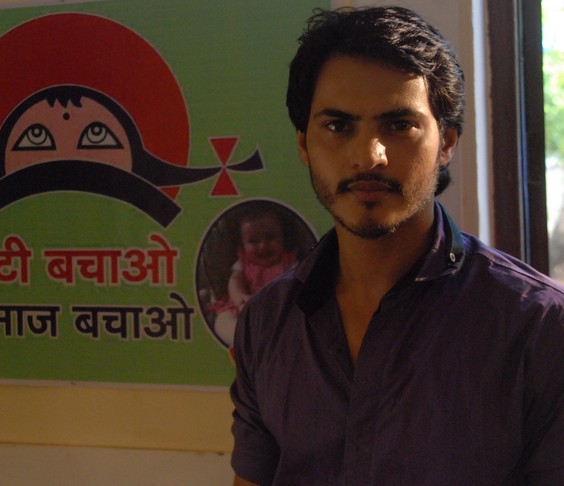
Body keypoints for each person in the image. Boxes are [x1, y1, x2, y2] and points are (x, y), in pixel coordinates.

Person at [230, 6, 564, 485]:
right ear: (304, 145)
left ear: (446, 142)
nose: (369, 156)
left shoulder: (539, 327)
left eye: (399, 125)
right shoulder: (266, 323)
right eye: (338, 126)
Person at [213, 205, 299, 347]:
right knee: (222, 320)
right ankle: (245, 340)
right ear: (243, 245)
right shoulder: (243, 263)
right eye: (253, 241)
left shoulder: (289, 263)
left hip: (277, 312)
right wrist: (240, 298)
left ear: (283, 238)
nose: (263, 246)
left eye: (271, 237)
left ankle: (268, 341)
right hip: (245, 310)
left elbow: (297, 285)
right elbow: (234, 281)